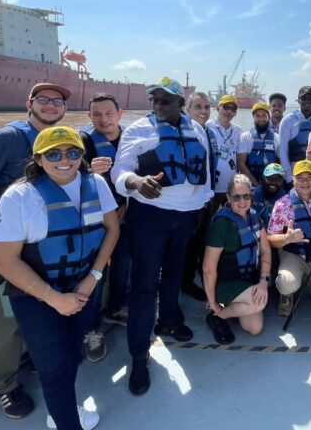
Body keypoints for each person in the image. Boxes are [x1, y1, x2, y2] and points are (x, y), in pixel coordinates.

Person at [0, 82, 71, 419]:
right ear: (29, 103)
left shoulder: (63, 139)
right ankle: (4, 384)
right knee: (8, 314)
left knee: (46, 302)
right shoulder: (5, 139)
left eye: (58, 101)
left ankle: (37, 357)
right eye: (44, 100)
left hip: (47, 240)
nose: (51, 105)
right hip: (7, 243)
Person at [0, 126, 119, 430]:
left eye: (73, 152)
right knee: (53, 367)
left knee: (73, 354)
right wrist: (54, 298)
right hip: (35, 295)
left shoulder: (97, 184)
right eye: (54, 153)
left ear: (82, 156)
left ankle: (62, 407)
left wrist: (93, 278)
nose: (65, 160)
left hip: (84, 286)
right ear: (38, 158)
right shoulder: (19, 197)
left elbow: (112, 229)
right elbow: (5, 262)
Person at [111, 76, 213, 396]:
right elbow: (119, 171)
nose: (158, 105)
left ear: (182, 104)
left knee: (174, 273)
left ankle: (168, 320)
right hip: (150, 218)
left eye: (166, 100)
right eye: (154, 100)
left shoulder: (197, 129)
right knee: (144, 285)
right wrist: (136, 182)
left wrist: (200, 208)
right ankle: (139, 355)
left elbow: (205, 173)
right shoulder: (138, 130)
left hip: (186, 217)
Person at [79, 93, 125, 361]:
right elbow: (64, 176)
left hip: (126, 213)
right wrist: (87, 171)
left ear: (119, 114)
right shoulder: (82, 142)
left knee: (124, 264)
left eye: (109, 113)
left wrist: (127, 207)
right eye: (97, 115)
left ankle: (116, 308)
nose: (103, 119)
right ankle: (90, 330)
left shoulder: (131, 138)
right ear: (89, 117)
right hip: (96, 220)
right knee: (94, 274)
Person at [203, 174, 272, 344]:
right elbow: (208, 269)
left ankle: (223, 313)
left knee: (254, 328)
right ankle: (216, 312)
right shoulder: (222, 224)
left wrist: (263, 282)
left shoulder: (255, 216)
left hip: (248, 281)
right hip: (225, 283)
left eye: (246, 196)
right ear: (228, 197)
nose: (242, 201)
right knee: (258, 304)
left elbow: (265, 251)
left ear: (251, 195)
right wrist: (212, 300)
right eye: (236, 197)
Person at [266, 160, 311, 316]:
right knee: (286, 283)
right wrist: (286, 238)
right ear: (293, 180)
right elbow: (270, 238)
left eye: (309, 177)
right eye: (300, 177)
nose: (305, 182)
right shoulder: (282, 205)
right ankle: (286, 295)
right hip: (293, 253)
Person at [179, 91, 217, 302]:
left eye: (206, 107)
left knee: (197, 243)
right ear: (187, 109)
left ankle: (188, 280)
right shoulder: (183, 133)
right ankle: (182, 282)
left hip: (205, 198)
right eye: (198, 107)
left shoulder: (208, 132)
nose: (203, 111)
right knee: (184, 243)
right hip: (188, 202)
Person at [207, 94, 248, 206]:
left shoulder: (239, 131)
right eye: (226, 107)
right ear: (218, 108)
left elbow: (241, 160)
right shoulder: (207, 127)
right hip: (211, 187)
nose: (229, 111)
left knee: (231, 220)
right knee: (207, 220)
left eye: (233, 109)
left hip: (231, 187)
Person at [278, 86, 311, 184]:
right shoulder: (287, 121)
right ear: (298, 100)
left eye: (310, 98)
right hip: (295, 173)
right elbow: (283, 152)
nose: (307, 101)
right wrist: (290, 178)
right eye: (304, 98)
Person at [238, 101, 278, 186]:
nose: (261, 119)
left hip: (272, 185)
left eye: (264, 115)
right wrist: (257, 185)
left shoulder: (277, 138)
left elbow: (281, 162)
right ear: (253, 117)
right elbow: (241, 164)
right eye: (258, 116)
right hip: (251, 185)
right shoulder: (245, 137)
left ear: (269, 117)